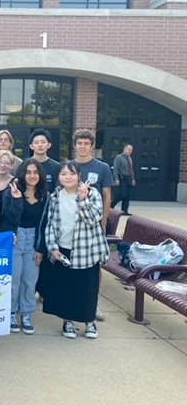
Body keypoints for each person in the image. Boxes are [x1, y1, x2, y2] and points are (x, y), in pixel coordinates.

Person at [36, 161, 109, 340]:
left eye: (71, 174)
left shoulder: (92, 194)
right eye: (63, 174)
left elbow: (94, 218)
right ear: (59, 177)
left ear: (79, 176)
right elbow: (51, 224)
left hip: (86, 249)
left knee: (87, 287)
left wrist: (82, 199)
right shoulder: (55, 196)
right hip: (64, 248)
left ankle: (89, 321)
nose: (67, 177)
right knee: (67, 287)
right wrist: (52, 248)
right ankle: (67, 320)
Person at [1, 160, 48, 335]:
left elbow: (45, 224)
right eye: (28, 172)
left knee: (30, 280)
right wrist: (17, 200)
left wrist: (41, 248)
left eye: (36, 172)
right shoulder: (11, 192)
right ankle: (11, 313)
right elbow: (8, 219)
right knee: (14, 279)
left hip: (33, 240)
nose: (32, 176)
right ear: (22, 174)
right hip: (16, 237)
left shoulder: (44, 195)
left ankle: (26, 314)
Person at [73, 129, 114, 321]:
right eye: (79, 143)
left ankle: (95, 303)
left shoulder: (102, 167)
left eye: (86, 144)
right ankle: (74, 300)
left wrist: (103, 221)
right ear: (75, 145)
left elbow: (107, 197)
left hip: (93, 224)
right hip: (72, 224)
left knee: (94, 265)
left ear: (92, 146)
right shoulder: (69, 166)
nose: (82, 147)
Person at [29, 128, 60, 194]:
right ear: (31, 146)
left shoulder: (57, 167)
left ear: (49, 145)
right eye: (36, 142)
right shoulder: (24, 166)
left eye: (43, 142)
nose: (40, 145)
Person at [111, 144, 135, 215]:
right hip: (122, 177)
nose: (130, 151)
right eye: (129, 150)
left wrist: (133, 179)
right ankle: (111, 204)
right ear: (124, 149)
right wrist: (116, 179)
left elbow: (131, 169)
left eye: (131, 150)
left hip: (129, 178)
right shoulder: (119, 157)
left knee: (128, 195)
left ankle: (124, 211)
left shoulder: (129, 158)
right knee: (123, 194)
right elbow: (115, 168)